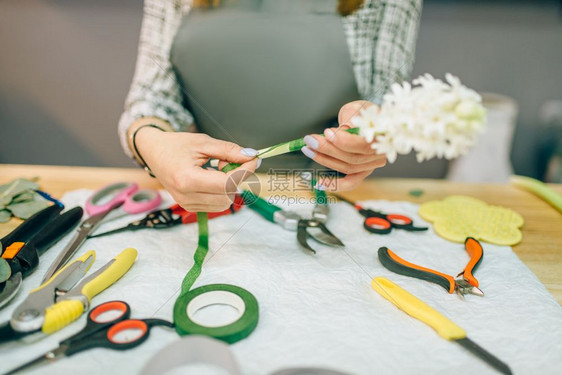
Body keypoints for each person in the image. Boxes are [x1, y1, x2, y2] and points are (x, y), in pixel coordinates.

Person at [119, 0, 422, 212]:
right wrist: (153, 143)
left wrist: (373, 129)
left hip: (328, 193)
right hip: (205, 192)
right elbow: (151, 101)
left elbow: (388, 102)